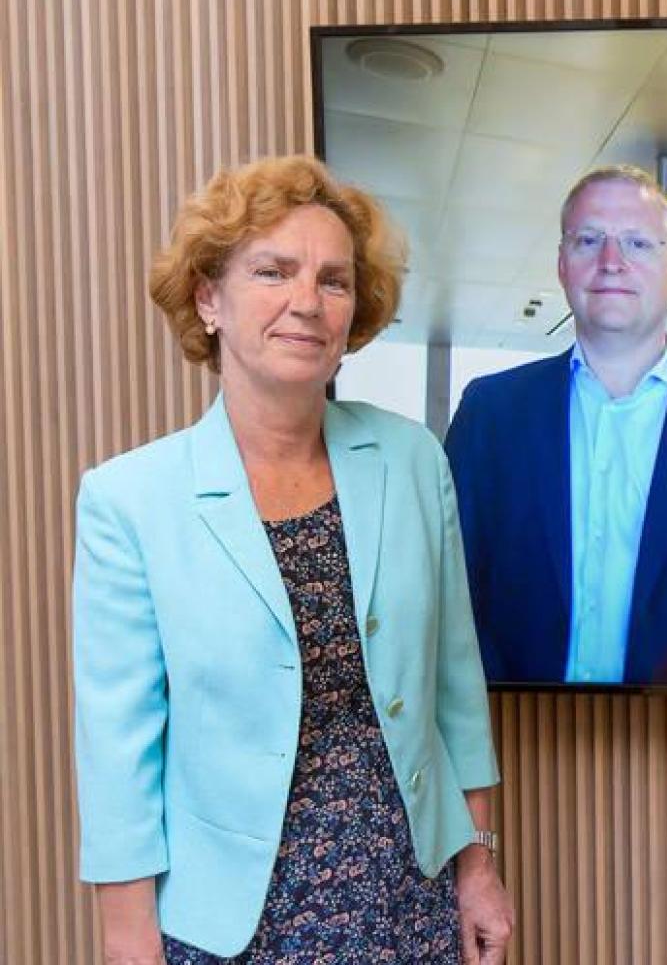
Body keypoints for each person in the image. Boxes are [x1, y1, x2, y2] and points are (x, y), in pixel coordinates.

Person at [72, 155, 513, 963]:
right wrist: (127, 938)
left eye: (334, 280)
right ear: (210, 299)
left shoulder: (413, 461)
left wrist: (478, 866)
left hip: (407, 894)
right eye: (272, 271)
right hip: (237, 920)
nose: (306, 302)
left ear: (355, 312)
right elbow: (118, 755)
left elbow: (456, 691)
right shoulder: (128, 501)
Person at [445, 165, 667, 685]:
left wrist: (658, 731)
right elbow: (449, 587)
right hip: (513, 743)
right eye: (589, 240)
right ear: (563, 265)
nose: (612, 262)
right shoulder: (491, 412)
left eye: (638, 243)